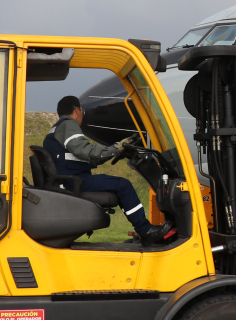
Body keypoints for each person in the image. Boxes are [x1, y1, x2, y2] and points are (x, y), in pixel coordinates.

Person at [45, 95, 173, 245]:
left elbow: (87, 158)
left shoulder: (56, 129)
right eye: (82, 112)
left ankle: (144, 229)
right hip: (76, 181)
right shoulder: (69, 124)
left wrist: (116, 151)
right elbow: (85, 151)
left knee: (120, 185)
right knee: (123, 185)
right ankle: (145, 231)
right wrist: (114, 149)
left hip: (69, 180)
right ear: (76, 110)